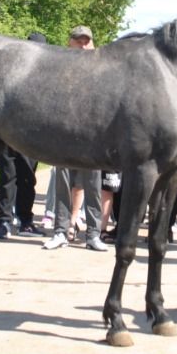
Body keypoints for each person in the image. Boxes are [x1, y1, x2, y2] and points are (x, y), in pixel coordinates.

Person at [41, 24, 108, 252]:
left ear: (92, 44)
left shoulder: (101, 70)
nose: (82, 44)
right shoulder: (59, 69)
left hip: (92, 137)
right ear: (69, 42)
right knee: (62, 184)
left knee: (93, 187)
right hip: (64, 135)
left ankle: (93, 234)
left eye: (86, 41)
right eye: (78, 40)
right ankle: (60, 231)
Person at [0, 30, 48, 238]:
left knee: (27, 179)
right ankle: (5, 221)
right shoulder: (12, 70)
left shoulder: (47, 77)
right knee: (7, 177)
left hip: (31, 135)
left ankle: (25, 220)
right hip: (8, 133)